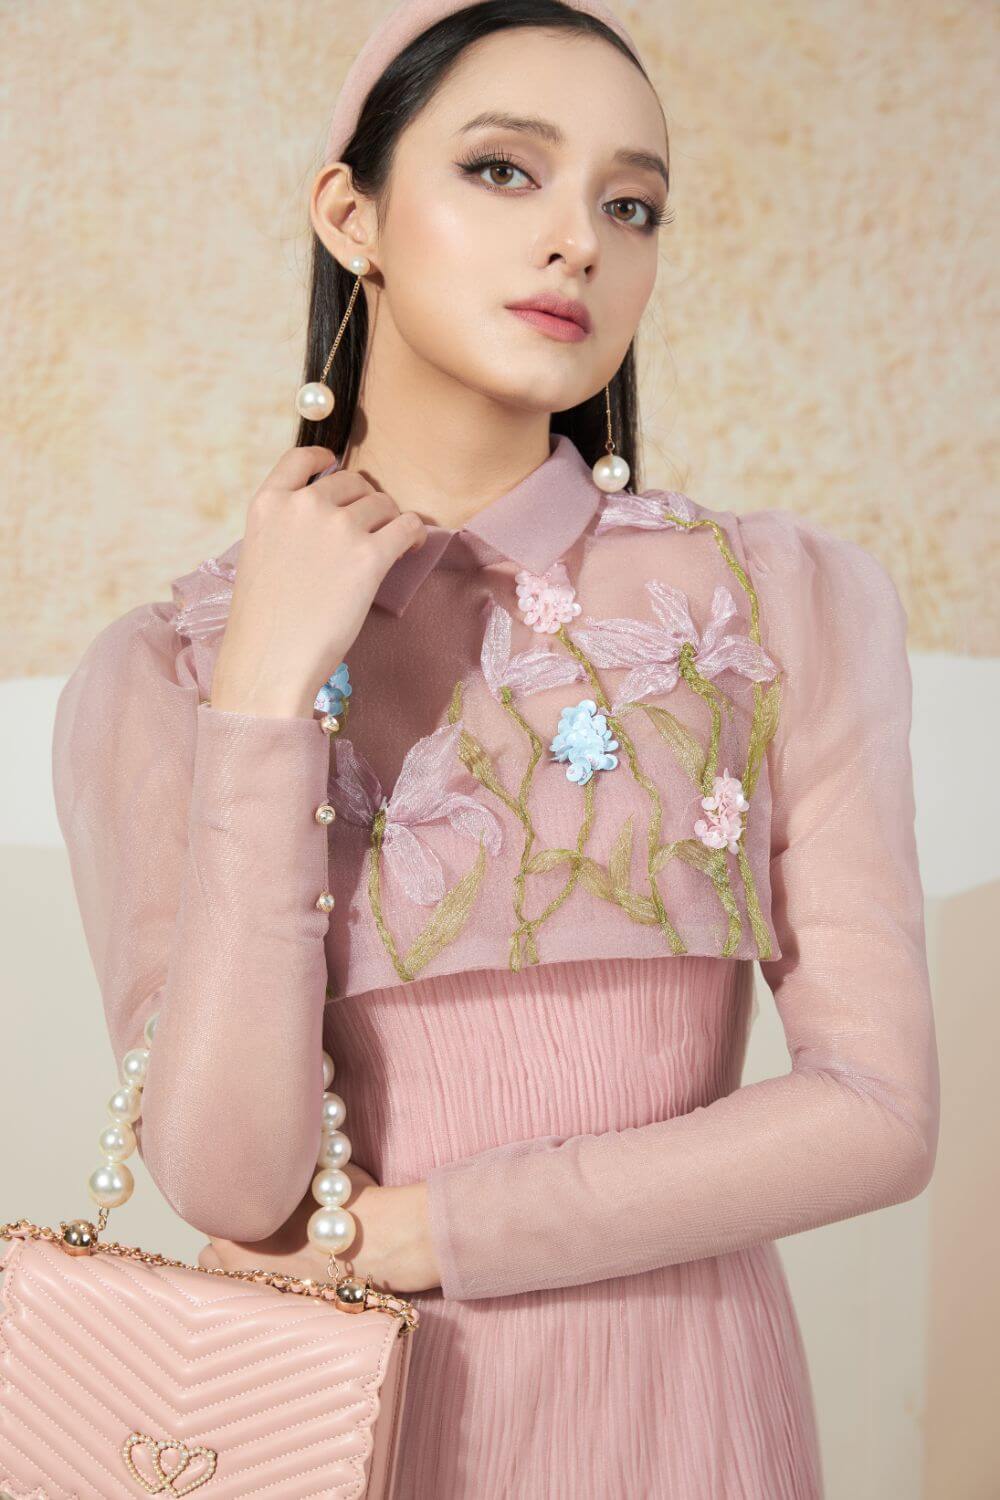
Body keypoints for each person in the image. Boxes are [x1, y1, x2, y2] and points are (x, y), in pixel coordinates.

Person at [51, 1, 940, 1494]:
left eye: (631, 204)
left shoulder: (775, 603)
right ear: (352, 215)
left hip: (684, 1434)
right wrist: (264, 700)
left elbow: (879, 1116)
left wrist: (430, 1232)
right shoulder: (165, 671)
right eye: (505, 171)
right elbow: (231, 1181)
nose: (580, 240)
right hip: (342, 1442)